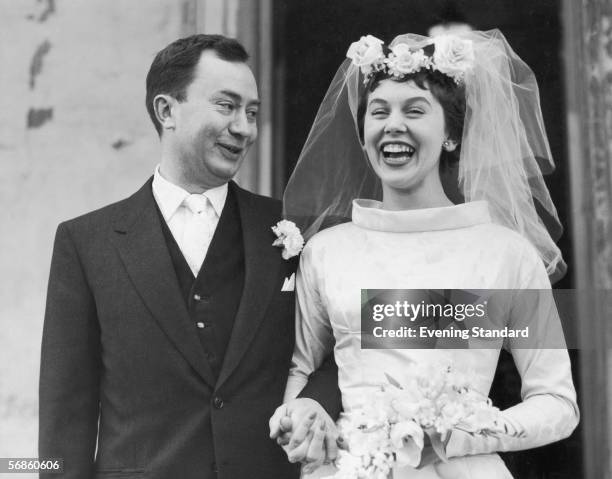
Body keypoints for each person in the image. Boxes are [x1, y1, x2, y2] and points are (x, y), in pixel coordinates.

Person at [274, 30, 579, 478]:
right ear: (363, 136)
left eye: (414, 111)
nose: (393, 124)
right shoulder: (326, 252)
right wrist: (302, 415)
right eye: (379, 112)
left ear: (452, 135)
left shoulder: (504, 254)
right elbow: (301, 370)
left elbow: (557, 402)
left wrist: (466, 432)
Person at [39, 34, 340, 479]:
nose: (244, 127)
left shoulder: (297, 231)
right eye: (227, 105)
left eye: (252, 112)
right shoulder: (85, 242)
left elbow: (350, 348)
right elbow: (65, 411)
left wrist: (318, 400)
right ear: (167, 110)